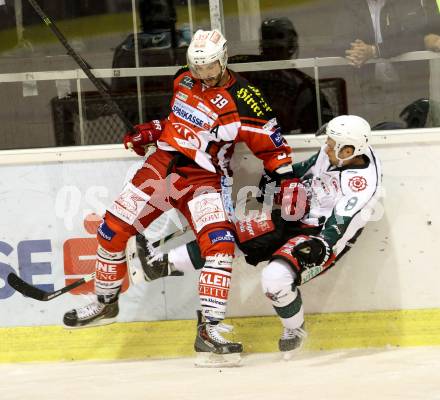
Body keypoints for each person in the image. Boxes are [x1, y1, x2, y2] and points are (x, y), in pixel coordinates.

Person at [63, 29, 294, 363]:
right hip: (161, 169)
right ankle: (105, 301)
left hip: (203, 179)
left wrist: (286, 179)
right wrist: (154, 129)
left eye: (210, 67)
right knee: (111, 230)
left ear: (223, 59)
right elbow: (177, 121)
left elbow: (273, 144)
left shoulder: (245, 98)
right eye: (197, 67)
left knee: (220, 246)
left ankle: (209, 329)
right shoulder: (183, 80)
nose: (202, 74)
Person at [127, 115, 382, 357]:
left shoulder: (362, 186)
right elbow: (306, 168)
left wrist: (321, 244)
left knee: (275, 277)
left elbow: (339, 226)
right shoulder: (342, 151)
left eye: (332, 145)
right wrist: (276, 183)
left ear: (349, 151)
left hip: (320, 238)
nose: (326, 149)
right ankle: (161, 264)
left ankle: (294, 328)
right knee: (228, 239)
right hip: (295, 216)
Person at [335, 0, 440, 127]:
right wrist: (357, 50)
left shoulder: (407, 3)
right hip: (367, 91)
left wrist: (374, 50)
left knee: (410, 137)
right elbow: (338, 40)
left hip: (407, 90)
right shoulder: (350, 5)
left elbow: (416, 38)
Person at [229, 17, 336, 134]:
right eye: (270, 47)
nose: (274, 53)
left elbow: (319, 133)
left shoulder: (305, 86)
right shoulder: (243, 68)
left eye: (278, 48)